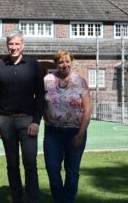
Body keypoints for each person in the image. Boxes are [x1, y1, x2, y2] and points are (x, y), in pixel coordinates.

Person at [0, 29, 45, 203]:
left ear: (23, 46)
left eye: (17, 44)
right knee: (12, 165)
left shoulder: (33, 66)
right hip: (5, 122)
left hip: (27, 121)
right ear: (7, 46)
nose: (13, 47)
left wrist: (36, 121)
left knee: (30, 164)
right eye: (11, 44)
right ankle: (17, 199)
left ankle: (32, 199)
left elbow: (40, 96)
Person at [43, 50, 92, 203]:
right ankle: (59, 199)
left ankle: (68, 200)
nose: (64, 65)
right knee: (52, 169)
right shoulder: (47, 80)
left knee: (72, 171)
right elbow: (39, 102)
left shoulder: (80, 81)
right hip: (52, 133)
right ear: (56, 64)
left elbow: (88, 109)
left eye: (67, 61)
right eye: (61, 62)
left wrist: (80, 134)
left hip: (75, 132)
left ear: (72, 61)